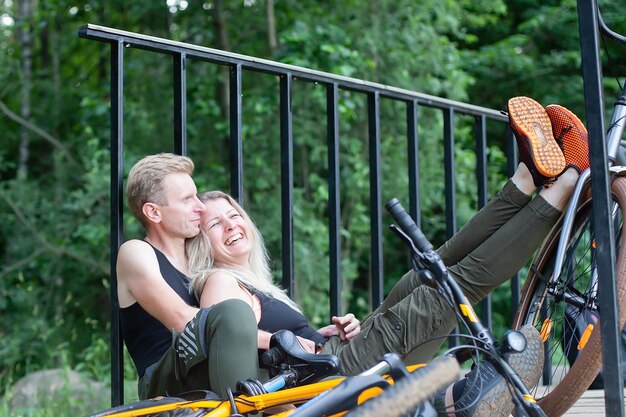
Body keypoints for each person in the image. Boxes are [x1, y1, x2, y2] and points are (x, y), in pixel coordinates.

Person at [185, 96, 591, 417]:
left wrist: (320, 335)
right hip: (332, 381)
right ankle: (566, 183)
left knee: (436, 266)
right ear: (203, 243)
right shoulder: (218, 280)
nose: (231, 225)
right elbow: (228, 336)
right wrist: (282, 339)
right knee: (453, 286)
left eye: (233, 215)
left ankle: (527, 178)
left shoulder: (254, 280)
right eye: (215, 225)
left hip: (337, 361)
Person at [116, 153, 261, 400]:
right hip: (166, 383)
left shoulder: (202, 258)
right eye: (187, 199)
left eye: (196, 195)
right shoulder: (136, 252)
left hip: (214, 365)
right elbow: (181, 318)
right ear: (153, 212)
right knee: (233, 312)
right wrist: (270, 337)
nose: (200, 207)